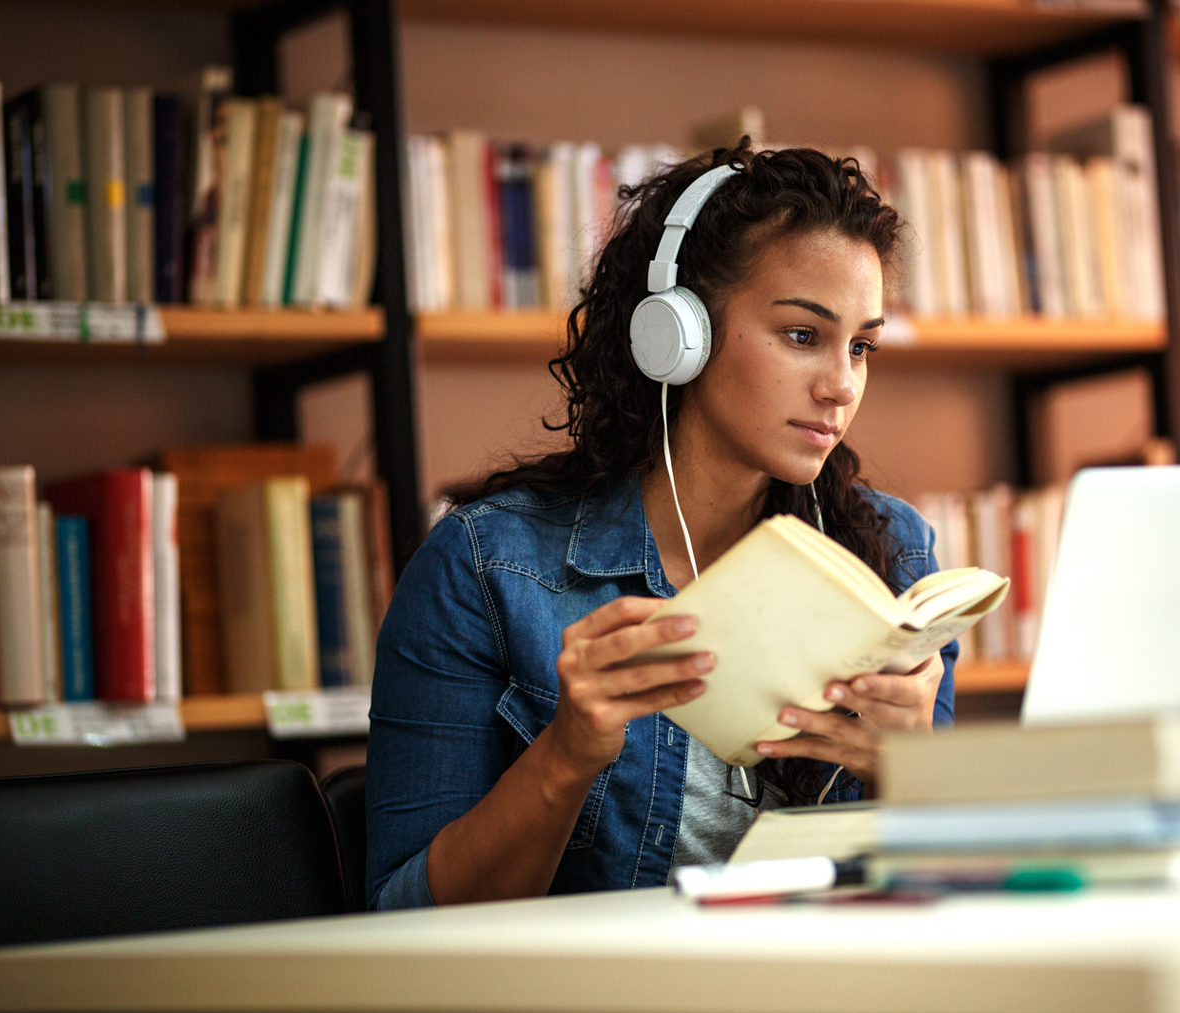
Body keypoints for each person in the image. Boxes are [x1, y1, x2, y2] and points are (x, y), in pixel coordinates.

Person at [366, 145, 957, 910]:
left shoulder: (892, 555)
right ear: (679, 335)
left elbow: (933, 900)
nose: (841, 385)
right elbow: (405, 917)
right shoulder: (483, 569)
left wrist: (913, 774)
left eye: (861, 346)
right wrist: (568, 754)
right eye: (802, 336)